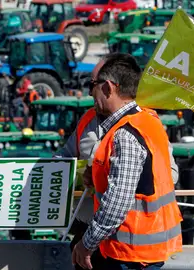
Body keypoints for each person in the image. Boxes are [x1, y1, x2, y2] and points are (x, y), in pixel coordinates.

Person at [71, 53, 182, 270]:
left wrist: (86, 244)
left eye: (93, 85)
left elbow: (116, 205)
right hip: (143, 250)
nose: (90, 93)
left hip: (129, 254)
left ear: (108, 87)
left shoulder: (125, 134)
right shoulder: (148, 121)